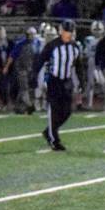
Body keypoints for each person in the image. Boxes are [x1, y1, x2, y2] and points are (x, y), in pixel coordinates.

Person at [35, 19, 81, 151]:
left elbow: (79, 66)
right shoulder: (52, 45)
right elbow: (40, 60)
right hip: (53, 80)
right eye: (66, 31)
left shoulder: (75, 47)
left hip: (66, 81)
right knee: (54, 110)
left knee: (67, 111)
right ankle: (54, 140)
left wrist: (81, 82)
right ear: (61, 31)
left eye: (70, 32)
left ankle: (49, 131)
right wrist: (35, 77)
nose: (68, 34)